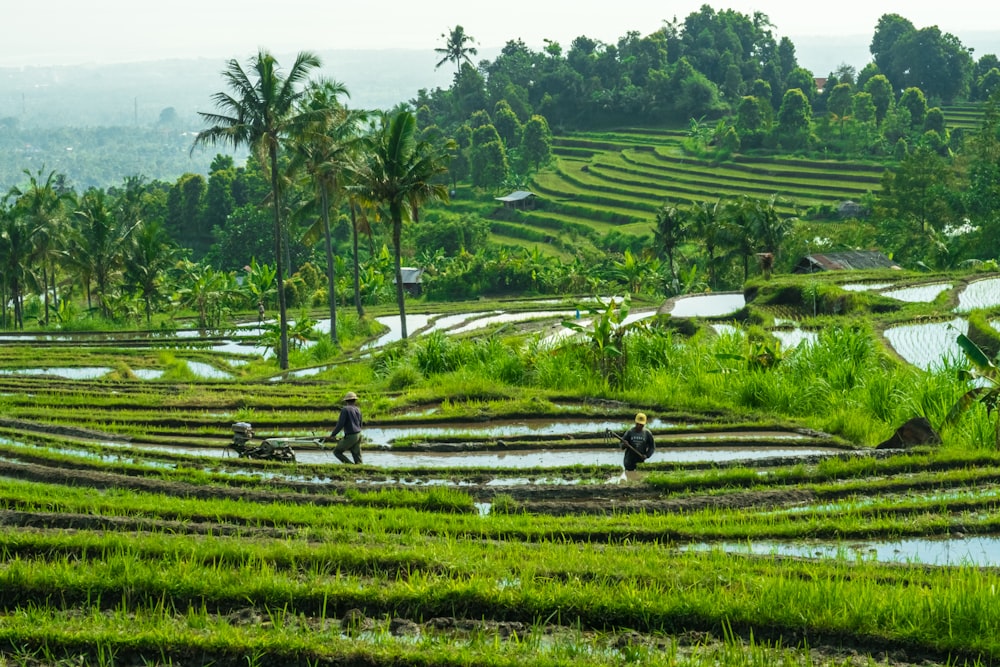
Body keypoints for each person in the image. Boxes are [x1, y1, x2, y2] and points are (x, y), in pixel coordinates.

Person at [327, 391, 363, 464]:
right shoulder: (358, 409)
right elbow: (360, 423)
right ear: (355, 400)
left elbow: (340, 424)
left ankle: (350, 465)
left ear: (346, 401)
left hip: (351, 436)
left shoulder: (345, 409)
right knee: (357, 455)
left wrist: (333, 435)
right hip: (358, 434)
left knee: (337, 452)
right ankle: (359, 468)